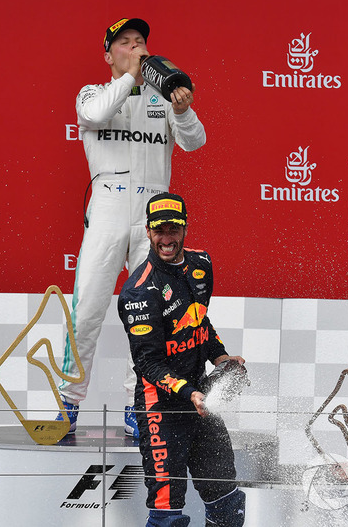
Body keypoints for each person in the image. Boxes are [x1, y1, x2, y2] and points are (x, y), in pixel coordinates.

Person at [59, 18, 206, 438]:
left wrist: (181, 108)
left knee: (150, 313)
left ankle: (137, 404)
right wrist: (130, 77)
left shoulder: (162, 98)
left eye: (141, 42)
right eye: (125, 43)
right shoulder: (93, 93)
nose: (136, 48)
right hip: (106, 204)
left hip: (153, 214)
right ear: (109, 55)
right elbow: (94, 114)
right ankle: (69, 402)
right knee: (86, 307)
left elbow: (195, 142)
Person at [118, 193, 246, 527]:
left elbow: (199, 322)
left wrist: (221, 358)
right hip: (161, 411)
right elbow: (148, 363)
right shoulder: (138, 292)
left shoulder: (202, 265)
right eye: (159, 230)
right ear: (148, 232)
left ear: (184, 228)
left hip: (201, 403)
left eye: (173, 229)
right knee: (168, 519)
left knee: (229, 508)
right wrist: (189, 392)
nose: (167, 238)